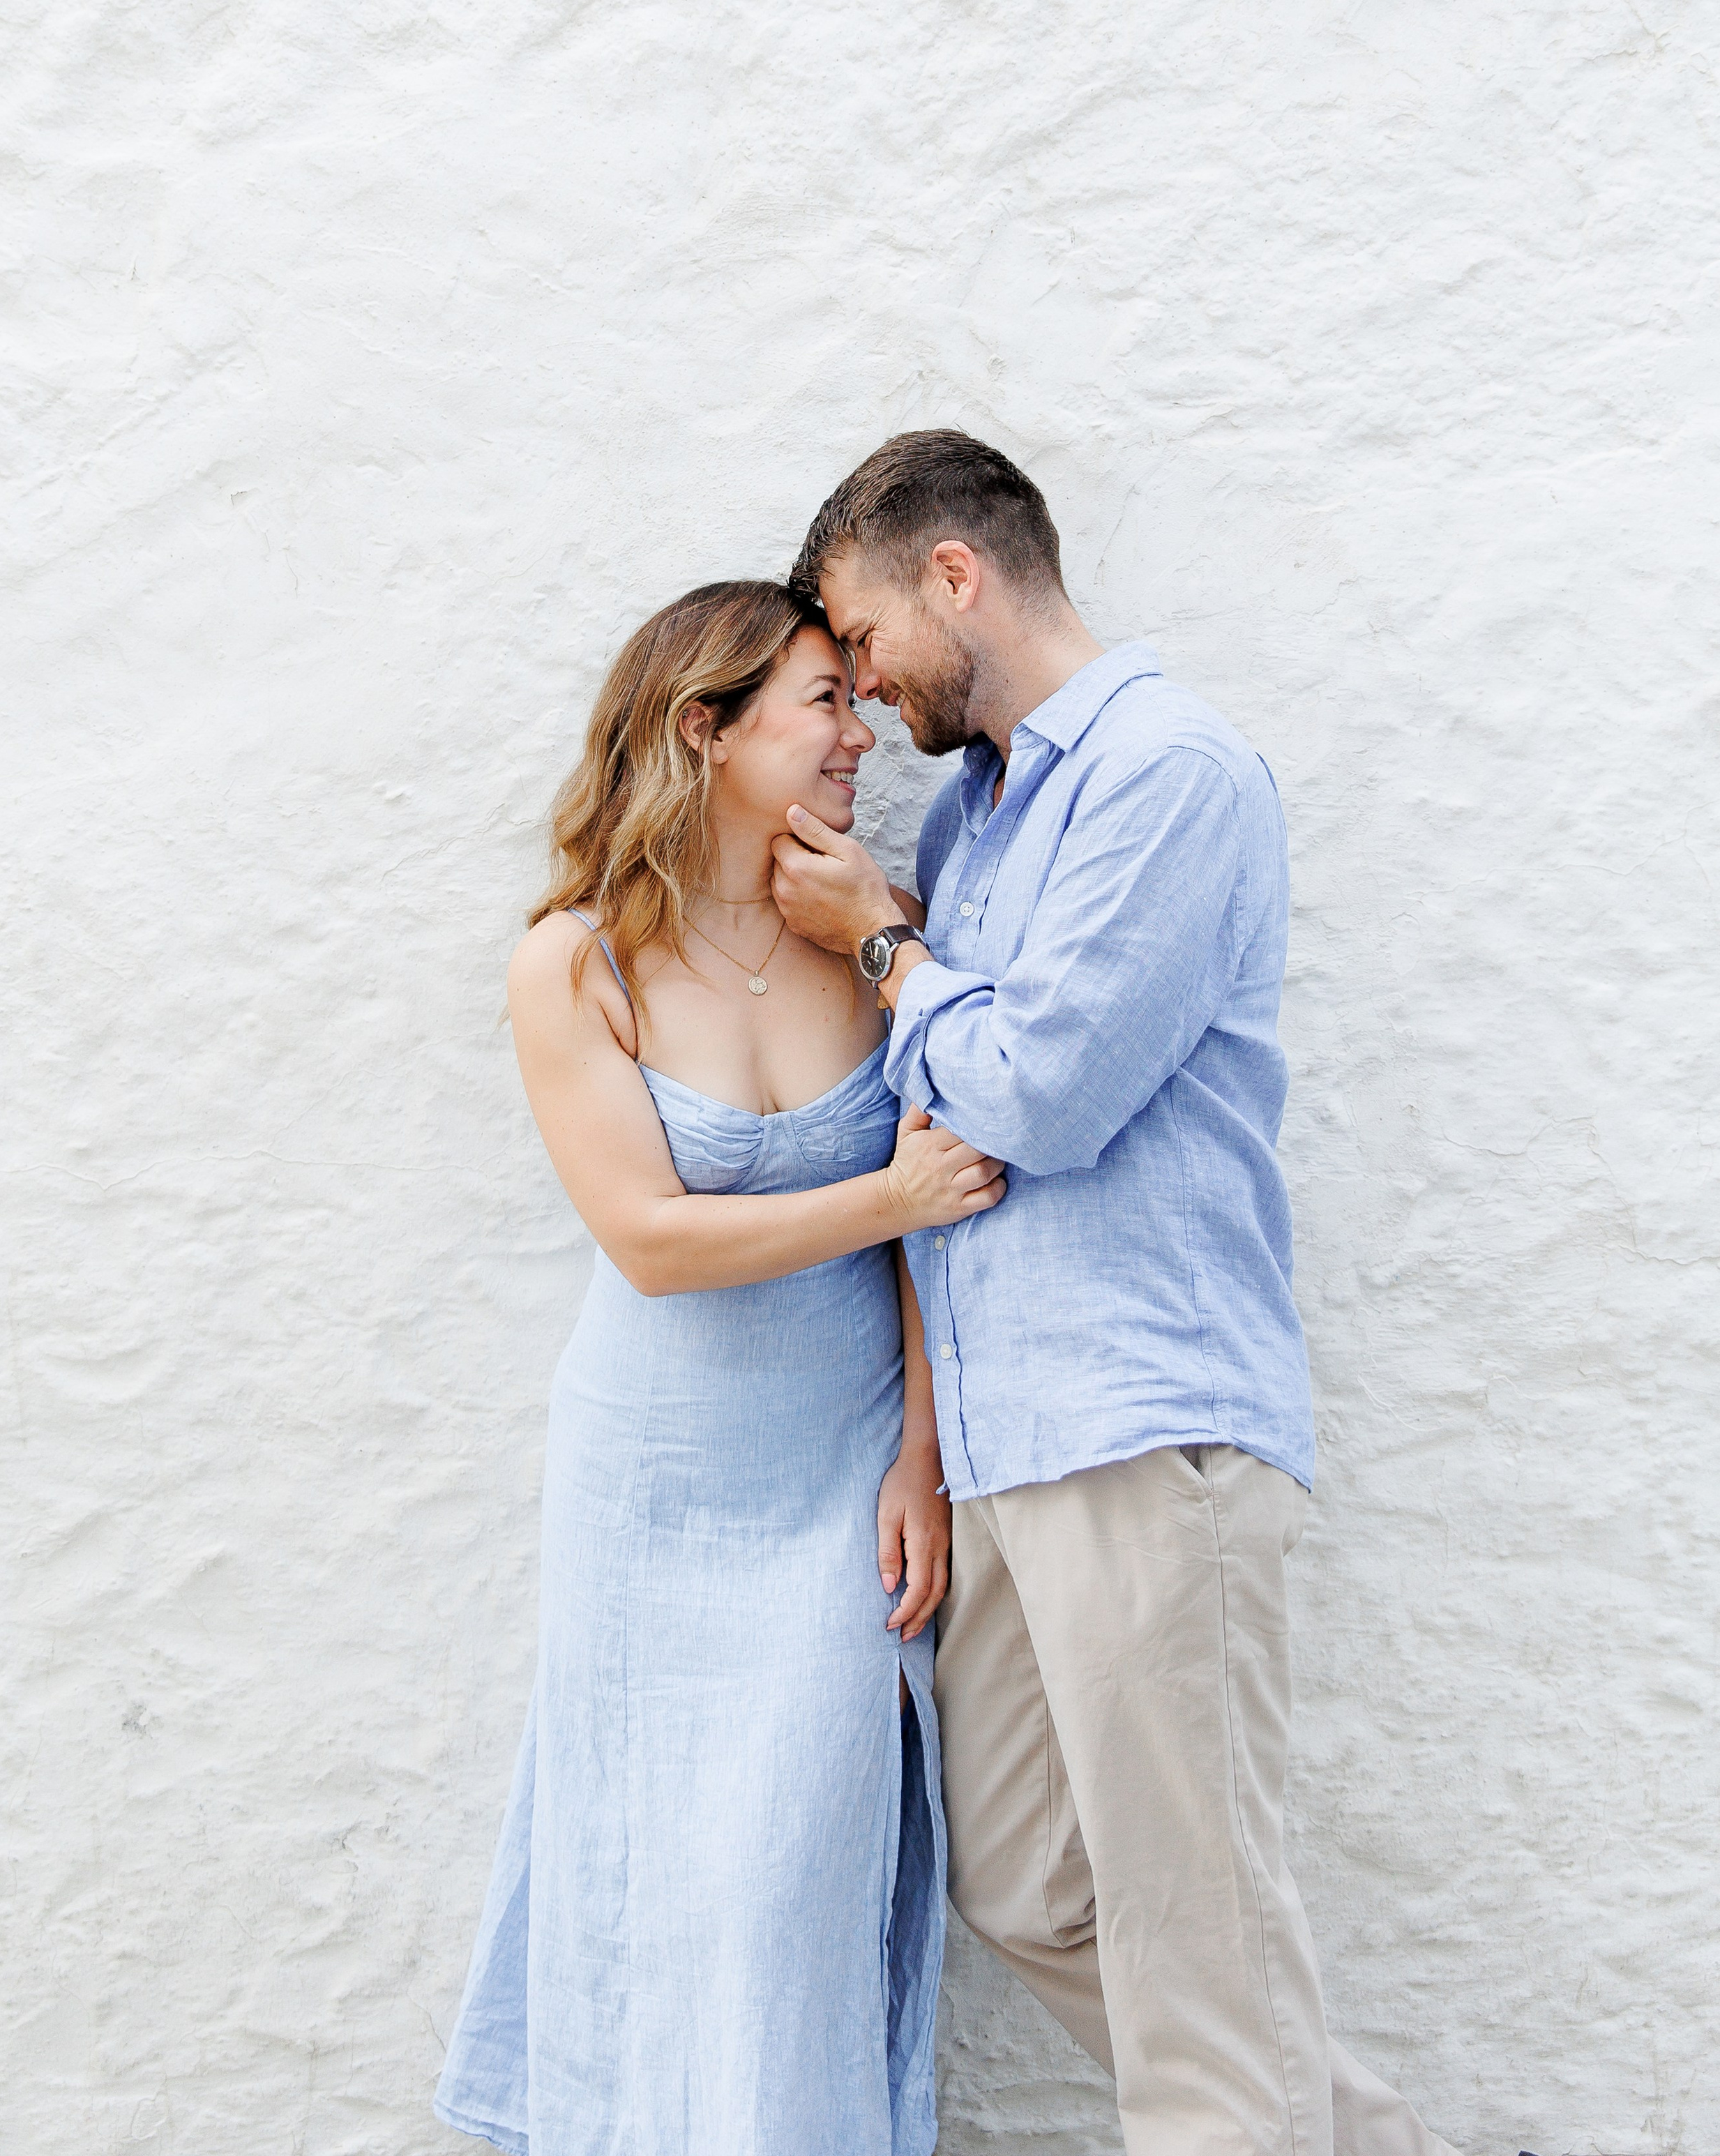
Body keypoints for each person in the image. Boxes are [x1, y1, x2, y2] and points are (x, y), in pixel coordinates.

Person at [769, 430, 1464, 2156]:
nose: (854, 680)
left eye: (858, 634)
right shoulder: (980, 810)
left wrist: (883, 944)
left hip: (1144, 1423)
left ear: (955, 575)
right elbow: (946, 1114)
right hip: (1011, 1443)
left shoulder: (1165, 771)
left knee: (1194, 1970)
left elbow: (1041, 1093)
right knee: (1029, 1885)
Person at [434, 577, 1004, 2156]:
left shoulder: (867, 925)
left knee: (786, 1892)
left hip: (841, 1472)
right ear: (707, 727)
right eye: (821, 700)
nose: (855, 730)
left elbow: (933, 1241)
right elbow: (650, 1237)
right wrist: (885, 1196)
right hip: (653, 1486)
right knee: (655, 1892)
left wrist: (922, 1455)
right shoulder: (577, 961)